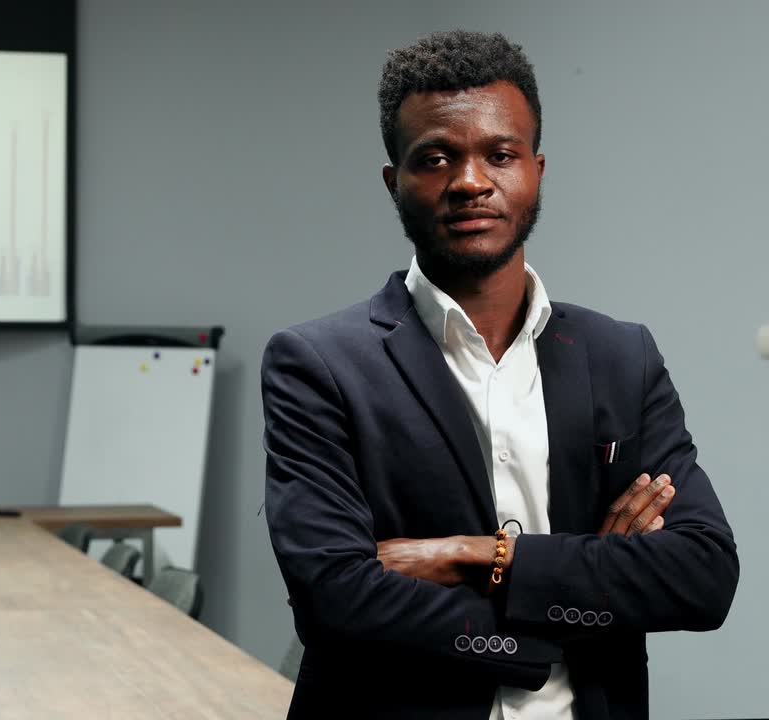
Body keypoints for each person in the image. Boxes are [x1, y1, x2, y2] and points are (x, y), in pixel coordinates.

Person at [261, 30, 738, 720]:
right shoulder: (320, 365)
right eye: (436, 158)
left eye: (500, 154)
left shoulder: (619, 357)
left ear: (536, 170)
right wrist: (558, 619)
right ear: (395, 182)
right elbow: (336, 595)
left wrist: (474, 556)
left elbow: (702, 576)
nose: (470, 182)